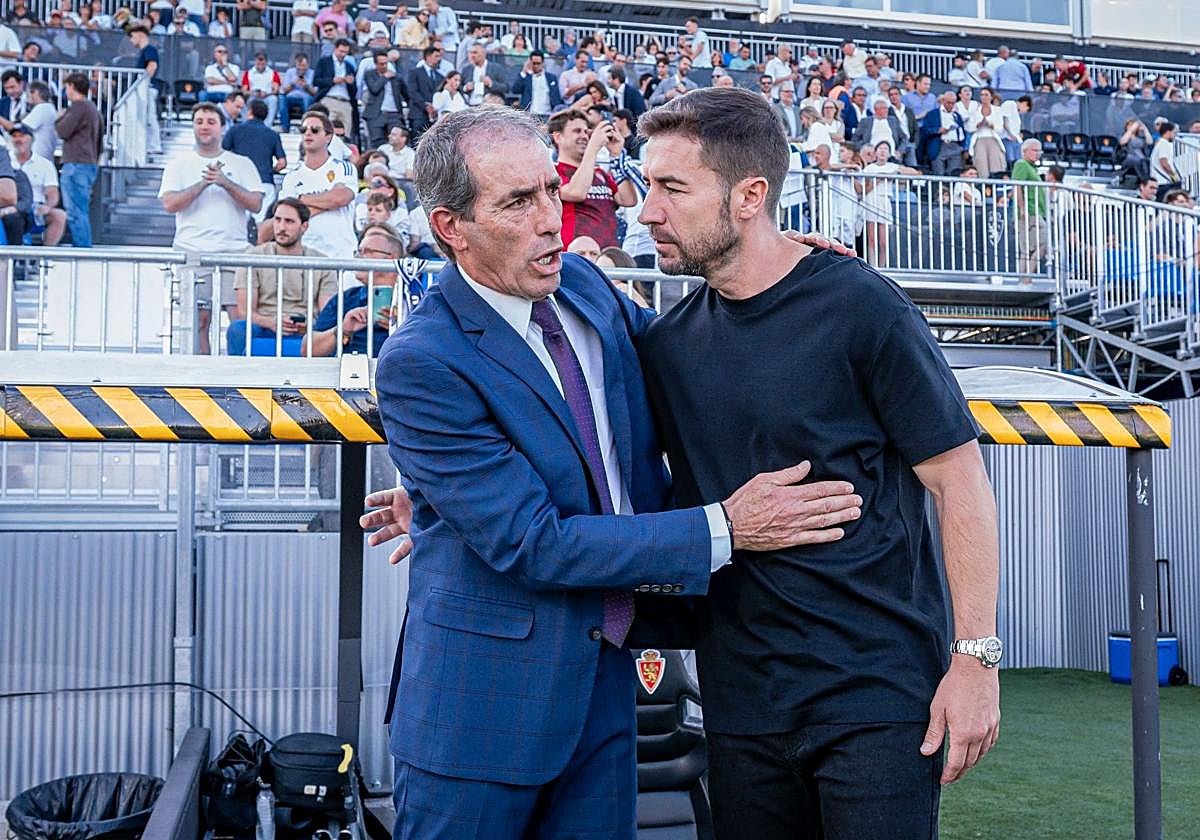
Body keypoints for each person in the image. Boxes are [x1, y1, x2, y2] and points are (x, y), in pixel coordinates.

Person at [370, 105, 860, 840]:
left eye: (549, 190)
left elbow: (695, 367)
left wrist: (776, 270)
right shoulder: (421, 361)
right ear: (451, 228)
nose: (551, 220)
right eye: (517, 203)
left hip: (603, 695)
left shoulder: (588, 291)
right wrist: (728, 528)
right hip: (478, 719)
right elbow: (535, 543)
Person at [631, 86, 1000, 839]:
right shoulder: (665, 346)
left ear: (750, 196)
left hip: (875, 697)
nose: (647, 211)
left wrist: (975, 661)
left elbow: (958, 481)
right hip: (741, 703)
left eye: (672, 188)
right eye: (645, 186)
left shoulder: (865, 307)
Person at [159, 102, 265, 355]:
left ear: (222, 127)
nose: (204, 127)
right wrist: (203, 184)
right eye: (199, 122)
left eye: (210, 122)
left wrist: (225, 182)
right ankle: (200, 379)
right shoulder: (178, 165)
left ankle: (241, 378)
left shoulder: (241, 164)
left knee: (239, 320)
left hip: (235, 251)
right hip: (192, 250)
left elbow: (256, 203)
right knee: (198, 321)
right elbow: (170, 204)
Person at [228, 197, 337, 356]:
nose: (281, 227)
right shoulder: (253, 257)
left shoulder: (321, 262)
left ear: (304, 226)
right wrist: (271, 322)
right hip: (264, 326)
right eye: (277, 220)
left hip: (307, 330)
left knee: (330, 334)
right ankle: (236, 379)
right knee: (238, 330)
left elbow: (326, 312)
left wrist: (308, 326)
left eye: (289, 221)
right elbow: (244, 312)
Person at [303, 222, 402, 356]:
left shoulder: (415, 300)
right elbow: (307, 350)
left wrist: (403, 327)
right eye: (358, 252)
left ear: (391, 258)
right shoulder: (345, 299)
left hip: (399, 371)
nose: (359, 257)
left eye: (367, 251)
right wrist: (343, 330)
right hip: (349, 371)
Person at [550, 109, 638, 249]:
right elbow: (575, 193)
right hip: (575, 256)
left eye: (586, 132)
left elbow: (628, 200)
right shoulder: (552, 172)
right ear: (558, 137)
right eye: (577, 131)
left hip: (607, 256)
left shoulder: (600, 173)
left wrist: (616, 155)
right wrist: (594, 147)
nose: (584, 136)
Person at [279, 110, 357, 259]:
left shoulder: (343, 167)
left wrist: (301, 200)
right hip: (304, 254)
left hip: (340, 254)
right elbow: (287, 214)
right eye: (304, 130)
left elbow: (340, 198)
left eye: (315, 130)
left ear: (328, 136)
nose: (308, 133)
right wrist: (327, 199)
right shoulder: (291, 176)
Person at [54, 72, 101, 248]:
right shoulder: (92, 109)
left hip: (76, 164)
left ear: (72, 86)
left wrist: (59, 118)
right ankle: (84, 248)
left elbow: (63, 131)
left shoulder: (78, 107)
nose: (65, 90)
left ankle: (82, 250)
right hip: (88, 163)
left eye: (66, 86)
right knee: (80, 210)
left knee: (75, 211)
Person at [222, 98, 286, 222]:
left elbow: (222, 153)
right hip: (265, 181)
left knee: (238, 223)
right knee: (260, 225)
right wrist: (270, 170)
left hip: (239, 182)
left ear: (249, 111)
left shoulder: (235, 130)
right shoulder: (273, 134)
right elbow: (282, 163)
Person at [9, 122, 65, 245]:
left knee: (59, 216)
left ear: (31, 139)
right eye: (15, 136)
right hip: (10, 206)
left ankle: (45, 256)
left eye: (22, 136)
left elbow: (52, 192)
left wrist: (48, 207)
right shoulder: (5, 161)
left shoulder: (44, 164)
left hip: (35, 208)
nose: (18, 139)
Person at [1012, 138, 1048, 276]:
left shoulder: (1032, 168)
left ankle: (1026, 276)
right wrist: (1022, 208)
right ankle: (1025, 276)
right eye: (1034, 150)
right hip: (1029, 211)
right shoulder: (1021, 164)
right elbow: (1017, 186)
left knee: (1033, 246)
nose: (1037, 153)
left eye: (1039, 150)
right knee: (1036, 246)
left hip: (1036, 211)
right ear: (1024, 151)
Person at [362, 48, 410, 148]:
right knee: (376, 144)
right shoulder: (369, 74)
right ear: (375, 64)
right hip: (376, 114)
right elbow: (374, 89)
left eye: (386, 63)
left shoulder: (397, 77)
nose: (384, 66)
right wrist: (385, 77)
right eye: (381, 64)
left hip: (394, 115)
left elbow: (407, 95)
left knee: (398, 141)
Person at [314, 38, 357, 139]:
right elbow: (316, 81)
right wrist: (333, 81)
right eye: (341, 51)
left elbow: (354, 90)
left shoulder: (349, 66)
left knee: (346, 131)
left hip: (346, 101)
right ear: (335, 49)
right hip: (330, 98)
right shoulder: (324, 62)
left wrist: (351, 83)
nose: (343, 54)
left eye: (345, 52)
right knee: (327, 129)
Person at [966, 88, 1007, 179]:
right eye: (982, 95)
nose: (983, 97)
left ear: (991, 97)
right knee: (981, 166)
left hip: (993, 138)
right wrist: (978, 125)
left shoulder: (997, 110)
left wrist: (991, 125)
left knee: (996, 165)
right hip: (979, 138)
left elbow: (1000, 128)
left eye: (986, 95)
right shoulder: (975, 111)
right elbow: (969, 127)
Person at [924, 90, 967, 176]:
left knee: (954, 173)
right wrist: (938, 130)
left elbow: (962, 131)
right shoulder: (932, 114)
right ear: (943, 101)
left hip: (955, 145)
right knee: (938, 173)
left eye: (953, 103)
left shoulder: (957, 116)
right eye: (948, 102)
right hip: (939, 145)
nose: (950, 105)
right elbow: (925, 130)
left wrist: (962, 147)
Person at [407, 45, 444, 142]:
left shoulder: (440, 76)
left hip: (434, 116)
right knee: (417, 142)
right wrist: (425, 105)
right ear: (428, 57)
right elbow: (412, 92)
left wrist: (434, 107)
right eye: (436, 56)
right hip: (418, 114)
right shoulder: (414, 72)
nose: (439, 59)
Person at [515, 50, 563, 119]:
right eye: (534, 63)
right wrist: (524, 71)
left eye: (538, 63)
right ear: (530, 63)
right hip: (530, 115)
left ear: (543, 63)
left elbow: (556, 97)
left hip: (548, 114)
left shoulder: (552, 78)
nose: (536, 66)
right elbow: (515, 90)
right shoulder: (526, 77)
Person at [240, 51, 281, 128]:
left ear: (266, 62)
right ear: (255, 61)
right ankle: (246, 123)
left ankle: (267, 125)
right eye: (258, 63)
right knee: (244, 100)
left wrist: (267, 94)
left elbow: (276, 90)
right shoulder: (248, 73)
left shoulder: (273, 73)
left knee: (273, 99)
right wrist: (252, 93)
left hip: (267, 96)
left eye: (262, 64)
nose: (260, 66)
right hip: (253, 96)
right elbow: (244, 91)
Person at [459, 42, 506, 107]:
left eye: (475, 52)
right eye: (470, 53)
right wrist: (465, 88)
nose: (472, 55)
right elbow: (459, 87)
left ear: (484, 54)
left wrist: (491, 83)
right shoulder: (466, 69)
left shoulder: (496, 68)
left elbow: (505, 88)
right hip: (469, 104)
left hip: (489, 105)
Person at [280, 53, 316, 132]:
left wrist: (306, 86)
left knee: (306, 100)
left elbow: (315, 93)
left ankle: (306, 127)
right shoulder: (290, 72)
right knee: (281, 99)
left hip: (306, 97)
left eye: (303, 65)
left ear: (307, 64)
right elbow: (284, 90)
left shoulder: (312, 73)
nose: (301, 68)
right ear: (296, 64)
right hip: (291, 97)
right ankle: (285, 127)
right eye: (299, 66)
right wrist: (293, 84)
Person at [1151, 122, 1181, 200]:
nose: (1175, 135)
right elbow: (1164, 162)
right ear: (1168, 132)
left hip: (1161, 182)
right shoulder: (1164, 144)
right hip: (1163, 182)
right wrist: (1174, 176)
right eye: (1174, 132)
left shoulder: (1160, 143)